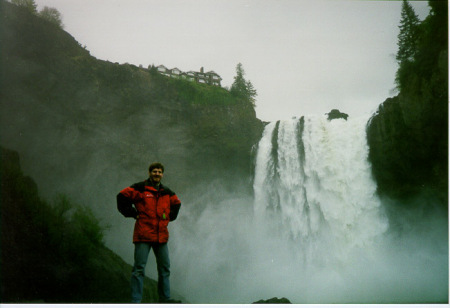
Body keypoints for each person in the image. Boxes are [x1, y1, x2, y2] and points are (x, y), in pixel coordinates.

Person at [117, 162, 181, 303]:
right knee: (139, 269)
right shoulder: (140, 188)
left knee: (165, 269)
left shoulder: (167, 192)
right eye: (154, 171)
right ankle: (136, 301)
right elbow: (121, 196)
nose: (157, 174)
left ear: (162, 174)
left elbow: (177, 203)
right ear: (149, 173)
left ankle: (164, 299)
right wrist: (132, 213)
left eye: (159, 171)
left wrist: (170, 217)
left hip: (161, 236)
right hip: (143, 235)